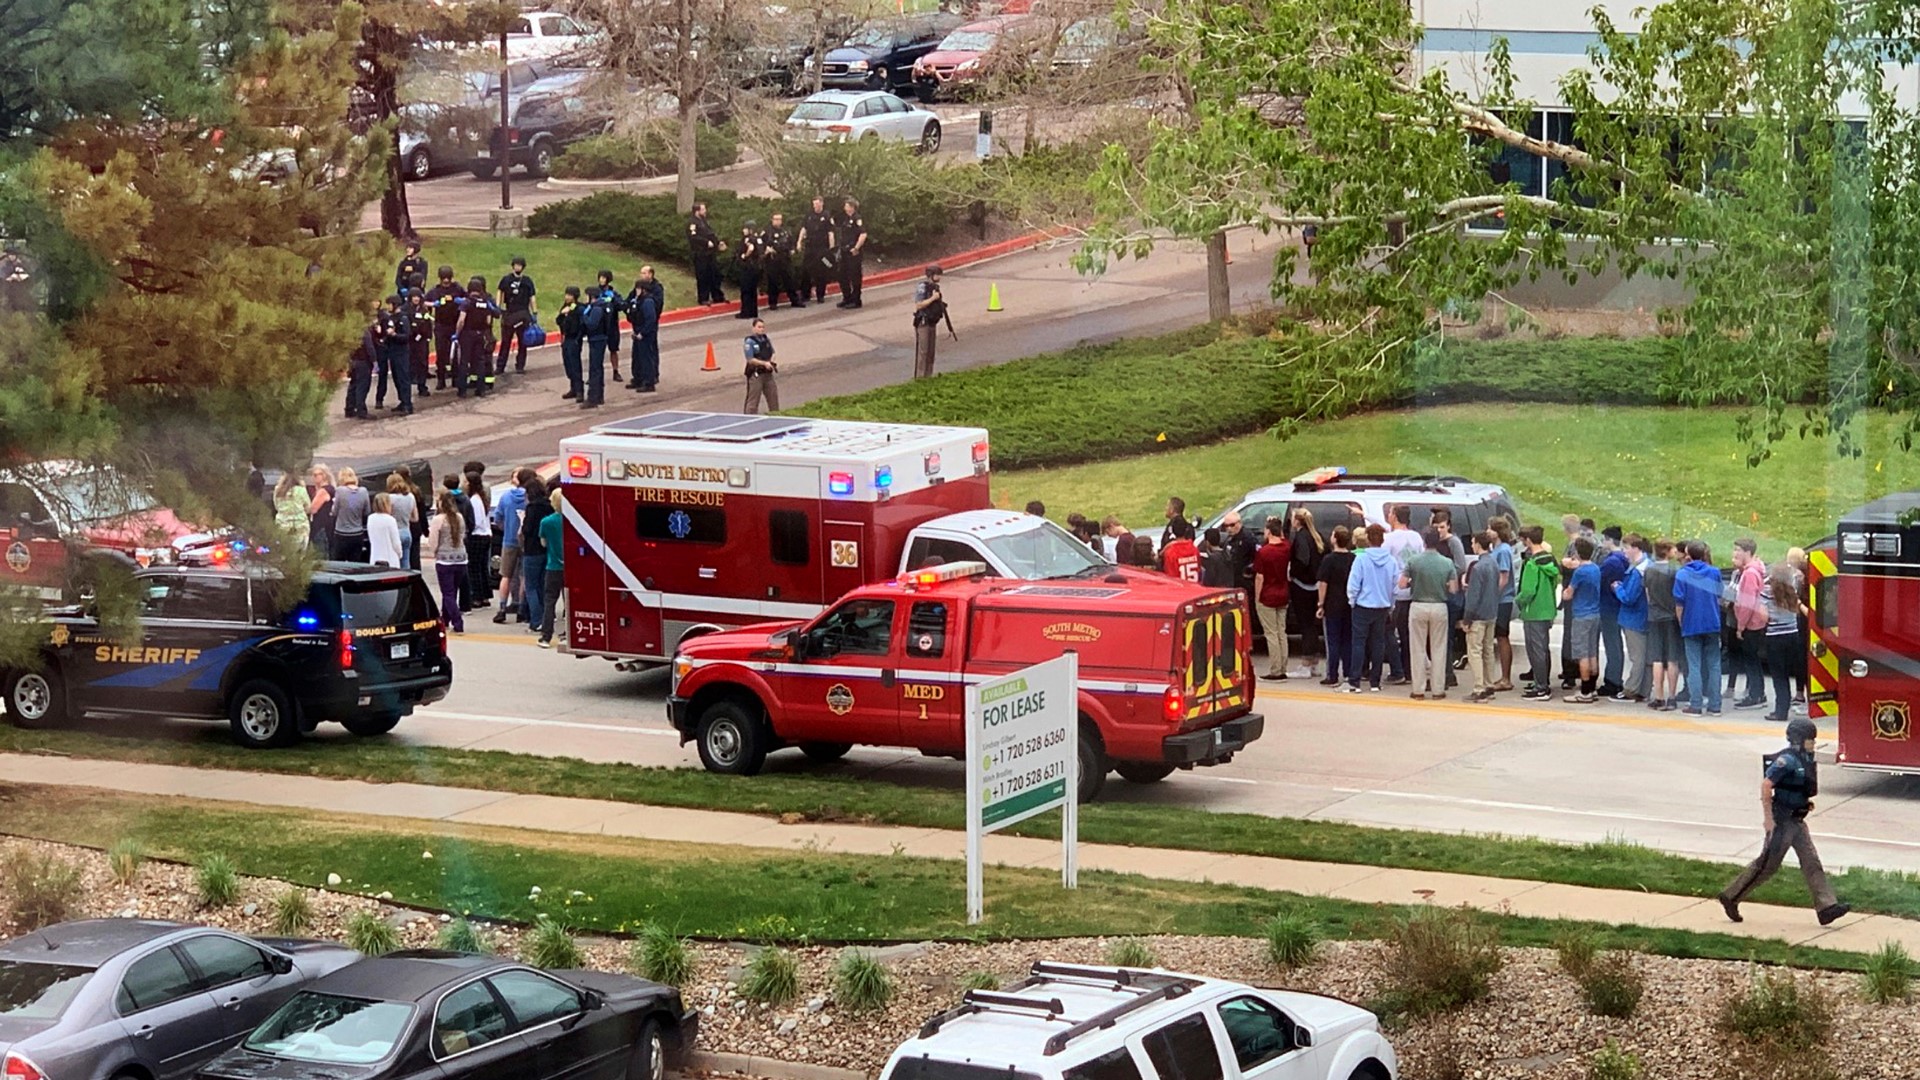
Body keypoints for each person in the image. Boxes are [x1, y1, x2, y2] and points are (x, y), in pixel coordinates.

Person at [1718, 717, 1850, 927]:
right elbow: (1766, 785)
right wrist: (1768, 820)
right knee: (1767, 866)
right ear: (1799, 740)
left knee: (1812, 863)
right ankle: (1731, 896)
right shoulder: (1786, 761)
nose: (1813, 744)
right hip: (1782, 822)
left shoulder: (1803, 760)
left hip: (1797, 821)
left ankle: (1826, 908)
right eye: (1810, 740)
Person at [1402, 529, 1457, 699]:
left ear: (1425, 542)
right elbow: (1453, 589)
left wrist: (1413, 581)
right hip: (1439, 606)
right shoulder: (1447, 563)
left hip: (1418, 605)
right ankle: (1438, 689)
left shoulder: (1413, 561)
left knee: (1417, 648)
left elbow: (1402, 584)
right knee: (1439, 648)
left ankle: (1418, 689)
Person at [1674, 540, 1724, 715]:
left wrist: (1682, 622)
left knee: (1693, 665)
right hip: (1712, 623)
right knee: (1714, 664)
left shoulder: (1682, 575)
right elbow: (1719, 596)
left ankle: (1695, 704)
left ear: (1688, 554)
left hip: (1691, 623)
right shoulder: (1714, 572)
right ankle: (1715, 704)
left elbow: (1679, 604)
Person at [1345, 524, 1396, 693]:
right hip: (1382, 606)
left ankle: (1355, 680)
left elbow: (1353, 584)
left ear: (1368, 538)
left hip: (1362, 605)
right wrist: (1391, 603)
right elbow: (1395, 585)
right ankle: (1375, 682)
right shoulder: (1391, 560)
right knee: (1378, 644)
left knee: (1358, 643)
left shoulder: (1361, 559)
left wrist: (1352, 601)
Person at [1515, 525, 1562, 700]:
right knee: (1543, 649)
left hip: (1533, 611)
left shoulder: (1532, 564)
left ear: (1527, 540)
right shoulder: (1549, 559)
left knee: (1536, 650)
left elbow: (1528, 591)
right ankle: (1541, 682)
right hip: (1547, 609)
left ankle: (1541, 687)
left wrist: (1518, 601)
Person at [1381, 506, 1424, 685]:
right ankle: (1409, 670)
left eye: (1390, 513)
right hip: (1413, 592)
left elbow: (1383, 565)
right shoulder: (1416, 537)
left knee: (1389, 632)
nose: (1388, 516)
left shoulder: (1389, 539)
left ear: (1395, 517)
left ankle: (1398, 670)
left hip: (1396, 593)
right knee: (1408, 634)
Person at [1460, 530, 1502, 702]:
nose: (1472, 545)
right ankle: (1489, 684)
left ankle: (1479, 688)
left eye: (1473, 542)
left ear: (1478, 544)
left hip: (1477, 615)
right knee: (1488, 651)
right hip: (1491, 612)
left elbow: (1473, 596)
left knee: (1474, 651)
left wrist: (1466, 618)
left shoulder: (1478, 568)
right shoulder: (1493, 563)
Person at [1763, 561, 1806, 722]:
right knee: (1789, 672)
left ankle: (1781, 711)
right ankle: (1792, 702)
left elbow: (1763, 615)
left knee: (1779, 676)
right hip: (1793, 635)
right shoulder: (1792, 590)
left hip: (1775, 637)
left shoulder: (1767, 592)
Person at [1644, 538, 1683, 711]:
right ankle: (1672, 696)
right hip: (1671, 617)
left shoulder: (1649, 569)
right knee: (1672, 659)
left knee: (1657, 659)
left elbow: (1647, 594)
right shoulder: (1674, 571)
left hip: (1654, 616)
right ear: (1667, 551)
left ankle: (1659, 696)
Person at [1561, 538, 1601, 702]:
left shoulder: (1580, 573)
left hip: (1581, 615)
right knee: (1592, 652)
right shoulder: (1595, 569)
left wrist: (1564, 592)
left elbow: (1569, 593)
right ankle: (1592, 686)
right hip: (1595, 613)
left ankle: (1584, 691)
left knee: (1582, 653)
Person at [1731, 538, 1769, 708]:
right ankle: (1757, 693)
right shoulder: (1755, 570)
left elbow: (1747, 602)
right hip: (1755, 622)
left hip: (1750, 624)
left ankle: (1756, 695)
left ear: (1748, 552)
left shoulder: (1749, 574)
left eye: (1738, 550)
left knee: (1751, 661)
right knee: (1753, 660)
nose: (1735, 553)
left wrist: (1740, 626)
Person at [1252, 517, 1292, 681]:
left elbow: (1259, 577)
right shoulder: (1287, 547)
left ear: (1268, 531)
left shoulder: (1264, 552)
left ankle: (1275, 670)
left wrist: (1257, 596)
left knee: (1271, 633)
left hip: (1268, 594)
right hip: (1283, 592)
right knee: (1281, 631)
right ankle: (1283, 666)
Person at [1612, 534, 1650, 702]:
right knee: (1646, 656)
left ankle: (1631, 689)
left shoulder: (1637, 572)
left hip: (1634, 618)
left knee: (1637, 656)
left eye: (1626, 548)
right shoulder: (1648, 565)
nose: (1624, 551)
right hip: (1645, 617)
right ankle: (1644, 689)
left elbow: (1629, 598)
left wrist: (1617, 588)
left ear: (1636, 548)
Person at [1287, 509, 1326, 672]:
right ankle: (1314, 661)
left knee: (1305, 625)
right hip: (1314, 586)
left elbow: (1303, 560)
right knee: (1312, 624)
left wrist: (1292, 572)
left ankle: (1306, 663)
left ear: (1298, 521)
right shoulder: (1317, 536)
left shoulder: (1301, 537)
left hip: (1301, 586)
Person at [1317, 525, 1355, 687]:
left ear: (1335, 539)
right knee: (1347, 640)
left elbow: (1323, 583)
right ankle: (1348, 672)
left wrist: (1320, 604)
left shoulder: (1328, 560)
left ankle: (1332, 674)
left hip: (1332, 604)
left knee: (1332, 641)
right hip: (1349, 604)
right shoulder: (1353, 559)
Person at [492, 468, 531, 624]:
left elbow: (498, 518)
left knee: (506, 575)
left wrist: (507, 528)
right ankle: (521, 608)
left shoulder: (506, 496)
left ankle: (502, 608)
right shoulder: (529, 497)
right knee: (523, 576)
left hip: (509, 540)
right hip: (525, 542)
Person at [427, 491, 468, 634]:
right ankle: (445, 619)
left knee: (447, 593)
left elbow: (433, 541)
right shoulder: (459, 518)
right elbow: (462, 536)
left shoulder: (438, 519)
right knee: (452, 591)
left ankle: (458, 622)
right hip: (461, 558)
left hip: (444, 560)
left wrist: (435, 552)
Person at [518, 476, 552, 635]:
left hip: (532, 550)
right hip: (546, 550)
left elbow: (527, 530)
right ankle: (545, 619)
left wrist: (523, 520)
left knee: (531, 586)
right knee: (542, 585)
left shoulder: (532, 508)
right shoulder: (549, 506)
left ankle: (536, 620)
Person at [452, 276, 497, 397]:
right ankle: (481, 389)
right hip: (480, 334)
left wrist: (457, 333)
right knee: (480, 361)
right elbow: (488, 321)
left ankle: (462, 390)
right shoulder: (484, 303)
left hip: (467, 334)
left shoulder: (467, 303)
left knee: (464, 361)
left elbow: (461, 320)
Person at [1488, 516, 1518, 690]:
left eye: (1490, 528)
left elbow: (1504, 576)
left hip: (1503, 600)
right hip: (1499, 600)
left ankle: (1506, 678)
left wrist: (1493, 594)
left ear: (1497, 531)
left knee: (1502, 636)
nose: (1487, 532)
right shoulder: (1498, 549)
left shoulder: (1503, 551)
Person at [496, 256, 537, 376]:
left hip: (523, 313)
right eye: (516, 265)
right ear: (512, 266)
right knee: (505, 342)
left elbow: (532, 297)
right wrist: (498, 306)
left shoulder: (527, 281)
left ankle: (520, 366)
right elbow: (500, 291)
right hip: (509, 313)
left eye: (520, 265)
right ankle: (500, 366)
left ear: (523, 267)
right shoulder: (506, 279)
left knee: (522, 342)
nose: (517, 267)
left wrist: (534, 312)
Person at [424, 266, 464, 391]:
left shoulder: (457, 288)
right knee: (441, 353)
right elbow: (423, 302)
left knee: (455, 353)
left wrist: (461, 300)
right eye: (444, 279)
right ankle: (441, 379)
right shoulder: (435, 291)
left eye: (448, 278)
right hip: (441, 326)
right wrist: (433, 304)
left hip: (454, 325)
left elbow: (469, 299)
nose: (446, 281)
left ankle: (455, 378)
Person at [537, 489, 567, 648]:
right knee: (569, 601)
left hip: (553, 565)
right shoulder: (572, 520)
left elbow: (543, 543)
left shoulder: (546, 522)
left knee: (549, 601)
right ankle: (568, 633)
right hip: (570, 567)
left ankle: (546, 636)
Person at [1221, 511, 1259, 633]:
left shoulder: (1248, 538)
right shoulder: (1230, 539)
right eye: (1226, 526)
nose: (1229, 529)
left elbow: (1257, 558)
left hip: (1245, 583)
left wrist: (1249, 571)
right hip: (1234, 581)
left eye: (1232, 525)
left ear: (1239, 523)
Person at [627, 267, 664, 392]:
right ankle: (638, 378)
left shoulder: (648, 301)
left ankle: (649, 381)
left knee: (647, 356)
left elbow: (650, 319)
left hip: (645, 332)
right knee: (637, 356)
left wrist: (643, 333)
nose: (636, 291)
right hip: (637, 330)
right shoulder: (638, 300)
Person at [376, 294, 412, 415]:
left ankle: (407, 404)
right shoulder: (392, 318)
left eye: (389, 304)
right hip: (393, 352)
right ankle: (402, 401)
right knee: (397, 378)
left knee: (403, 378)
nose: (388, 307)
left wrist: (394, 335)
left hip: (401, 353)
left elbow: (407, 336)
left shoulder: (403, 319)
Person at [463, 470, 494, 608]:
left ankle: (477, 596)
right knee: (482, 567)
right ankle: (485, 595)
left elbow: (474, 521)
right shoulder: (481, 498)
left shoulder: (473, 500)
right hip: (485, 535)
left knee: (474, 568)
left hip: (477, 535)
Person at [798, 195, 836, 304]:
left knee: (821, 272)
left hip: (822, 248)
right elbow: (804, 229)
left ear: (822, 204)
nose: (816, 206)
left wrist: (831, 249)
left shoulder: (827, 216)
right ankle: (805, 295)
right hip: (810, 247)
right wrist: (799, 241)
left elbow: (830, 233)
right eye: (814, 204)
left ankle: (820, 295)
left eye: (817, 203)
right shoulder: (809, 215)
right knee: (806, 271)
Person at [911, 265, 947, 379]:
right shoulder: (923, 287)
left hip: (932, 321)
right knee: (924, 352)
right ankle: (921, 377)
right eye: (937, 275)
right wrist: (933, 299)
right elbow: (919, 305)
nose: (939, 277)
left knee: (931, 353)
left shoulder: (935, 287)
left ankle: (928, 376)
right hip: (923, 322)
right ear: (931, 275)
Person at [688, 202, 726, 305]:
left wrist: (718, 243)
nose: (705, 211)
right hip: (700, 254)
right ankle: (703, 298)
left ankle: (717, 296)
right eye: (703, 209)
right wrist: (705, 242)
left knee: (715, 274)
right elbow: (693, 237)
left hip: (710, 253)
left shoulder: (704, 221)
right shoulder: (693, 223)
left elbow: (710, 234)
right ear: (697, 211)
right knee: (703, 276)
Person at [580, 282, 612, 408]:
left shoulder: (597, 309)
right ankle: (599, 395)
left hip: (597, 339)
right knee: (597, 367)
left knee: (595, 369)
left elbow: (592, 324)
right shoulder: (601, 306)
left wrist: (584, 317)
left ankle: (593, 397)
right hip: (599, 338)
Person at [763, 213, 804, 309]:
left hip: (785, 259)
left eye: (779, 219)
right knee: (773, 282)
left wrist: (793, 249)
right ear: (772, 220)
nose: (778, 221)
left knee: (790, 280)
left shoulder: (785, 231)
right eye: (776, 219)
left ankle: (795, 300)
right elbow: (761, 244)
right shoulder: (767, 232)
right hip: (773, 260)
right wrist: (767, 250)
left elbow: (791, 242)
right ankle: (773, 303)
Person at [330, 468, 370, 563]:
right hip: (357, 534)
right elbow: (367, 512)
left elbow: (334, 512)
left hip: (341, 534)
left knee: (339, 564)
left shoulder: (340, 491)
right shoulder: (364, 491)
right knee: (355, 563)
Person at [385, 471, 420, 571]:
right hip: (406, 532)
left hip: (394, 533)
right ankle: (406, 585)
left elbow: (387, 516)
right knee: (405, 562)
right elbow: (415, 518)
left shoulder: (389, 498)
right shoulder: (410, 497)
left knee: (394, 564)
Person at [345, 309, 377, 420]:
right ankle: (361, 410)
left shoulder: (350, 330)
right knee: (362, 387)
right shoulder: (364, 331)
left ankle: (349, 408)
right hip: (363, 362)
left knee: (353, 385)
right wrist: (374, 360)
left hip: (353, 361)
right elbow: (369, 347)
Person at [742, 318, 779, 414]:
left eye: (763, 327)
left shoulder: (766, 339)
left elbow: (773, 353)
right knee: (753, 401)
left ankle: (776, 417)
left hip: (768, 374)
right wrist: (764, 363)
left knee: (773, 398)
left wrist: (771, 362)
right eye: (759, 327)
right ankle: (749, 419)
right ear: (753, 328)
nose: (761, 329)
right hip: (756, 375)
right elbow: (750, 359)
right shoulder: (749, 342)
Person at [835, 197, 867, 308]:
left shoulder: (857, 219)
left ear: (852, 207)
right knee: (842, 275)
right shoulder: (846, 219)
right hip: (844, 251)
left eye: (847, 206)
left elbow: (863, 234)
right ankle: (847, 297)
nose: (845, 208)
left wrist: (856, 248)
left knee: (855, 276)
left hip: (853, 252)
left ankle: (856, 300)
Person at [556, 286, 586, 401]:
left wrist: (578, 338)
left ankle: (579, 391)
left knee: (575, 365)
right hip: (566, 339)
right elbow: (558, 321)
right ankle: (573, 387)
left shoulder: (579, 309)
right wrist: (562, 314)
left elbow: (581, 324)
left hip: (574, 339)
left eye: (569, 295)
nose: (567, 297)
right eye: (566, 295)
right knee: (568, 364)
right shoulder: (565, 307)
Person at [595, 270, 624, 384]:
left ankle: (615, 371)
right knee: (598, 352)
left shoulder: (614, 293)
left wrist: (614, 299)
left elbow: (621, 305)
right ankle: (595, 373)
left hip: (612, 325)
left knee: (613, 349)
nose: (601, 280)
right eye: (600, 277)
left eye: (604, 278)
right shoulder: (595, 292)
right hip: (600, 326)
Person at [407, 288, 433, 399]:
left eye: (418, 296)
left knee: (422, 363)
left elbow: (428, 323)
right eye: (414, 297)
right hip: (410, 340)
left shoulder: (424, 310)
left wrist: (428, 336)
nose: (416, 299)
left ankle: (422, 386)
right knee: (410, 363)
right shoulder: (406, 310)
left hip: (422, 340)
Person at [735, 222, 763, 320]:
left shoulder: (749, 239)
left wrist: (745, 256)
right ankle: (753, 311)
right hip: (755, 267)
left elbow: (751, 248)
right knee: (753, 290)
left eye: (745, 228)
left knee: (746, 290)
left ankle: (745, 312)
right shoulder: (758, 239)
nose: (743, 230)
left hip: (748, 267)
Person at [272, 474, 309, 549]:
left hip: (282, 521)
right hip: (300, 522)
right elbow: (308, 506)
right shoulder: (301, 490)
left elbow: (276, 506)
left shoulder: (278, 490)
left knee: (283, 548)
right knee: (300, 547)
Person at [367, 493, 403, 568]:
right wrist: (400, 554)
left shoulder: (371, 518)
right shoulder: (390, 520)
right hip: (390, 558)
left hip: (375, 556)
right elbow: (395, 542)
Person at [305, 465, 336, 553]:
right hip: (327, 525)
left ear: (324, 475)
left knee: (320, 552)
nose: (314, 478)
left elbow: (313, 509)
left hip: (320, 526)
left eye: (316, 475)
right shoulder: (330, 488)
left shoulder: (323, 491)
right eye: (313, 475)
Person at [1160, 518, 1200, 582]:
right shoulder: (1195, 549)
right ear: (1186, 530)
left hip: (1180, 589)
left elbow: (1170, 577)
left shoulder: (1170, 552)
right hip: (1195, 589)